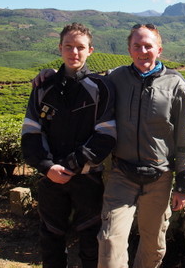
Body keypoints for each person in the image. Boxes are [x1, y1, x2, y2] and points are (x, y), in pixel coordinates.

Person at [97, 23, 185, 268]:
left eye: (148, 46)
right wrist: (50, 75)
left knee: (153, 246)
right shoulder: (115, 78)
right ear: (129, 50)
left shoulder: (176, 85)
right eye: (137, 46)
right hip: (122, 174)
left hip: (159, 177)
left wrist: (184, 184)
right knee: (110, 241)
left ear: (159, 49)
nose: (143, 51)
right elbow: (81, 79)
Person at [21, 22, 116, 268]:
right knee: (51, 238)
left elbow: (106, 135)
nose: (74, 52)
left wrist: (72, 165)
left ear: (90, 51)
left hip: (87, 178)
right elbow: (31, 131)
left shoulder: (101, 87)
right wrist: (47, 167)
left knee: (90, 241)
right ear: (60, 48)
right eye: (68, 47)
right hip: (50, 178)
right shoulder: (43, 87)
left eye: (80, 47)